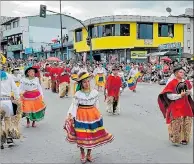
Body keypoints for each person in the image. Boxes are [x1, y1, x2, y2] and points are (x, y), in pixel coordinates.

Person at [64, 72, 114, 163]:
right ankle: (82, 153)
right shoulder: (78, 94)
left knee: (92, 134)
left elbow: (96, 105)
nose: (86, 84)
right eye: (84, 82)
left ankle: (89, 154)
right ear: (81, 84)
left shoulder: (94, 92)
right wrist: (71, 115)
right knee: (82, 135)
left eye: (88, 81)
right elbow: (74, 105)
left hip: (92, 115)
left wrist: (99, 115)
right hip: (81, 115)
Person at [158, 65, 194, 145]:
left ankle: (185, 139)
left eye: (183, 72)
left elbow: (191, 91)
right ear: (176, 73)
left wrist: (189, 92)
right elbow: (169, 95)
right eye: (180, 72)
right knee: (176, 121)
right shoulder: (172, 83)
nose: (182, 73)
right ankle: (175, 138)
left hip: (186, 105)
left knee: (187, 121)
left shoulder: (187, 82)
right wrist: (179, 96)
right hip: (176, 104)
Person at [0, 62, 21, 149]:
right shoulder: (8, 76)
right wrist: (17, 98)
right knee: (7, 120)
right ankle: (9, 138)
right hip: (7, 101)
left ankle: (1, 139)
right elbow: (15, 89)